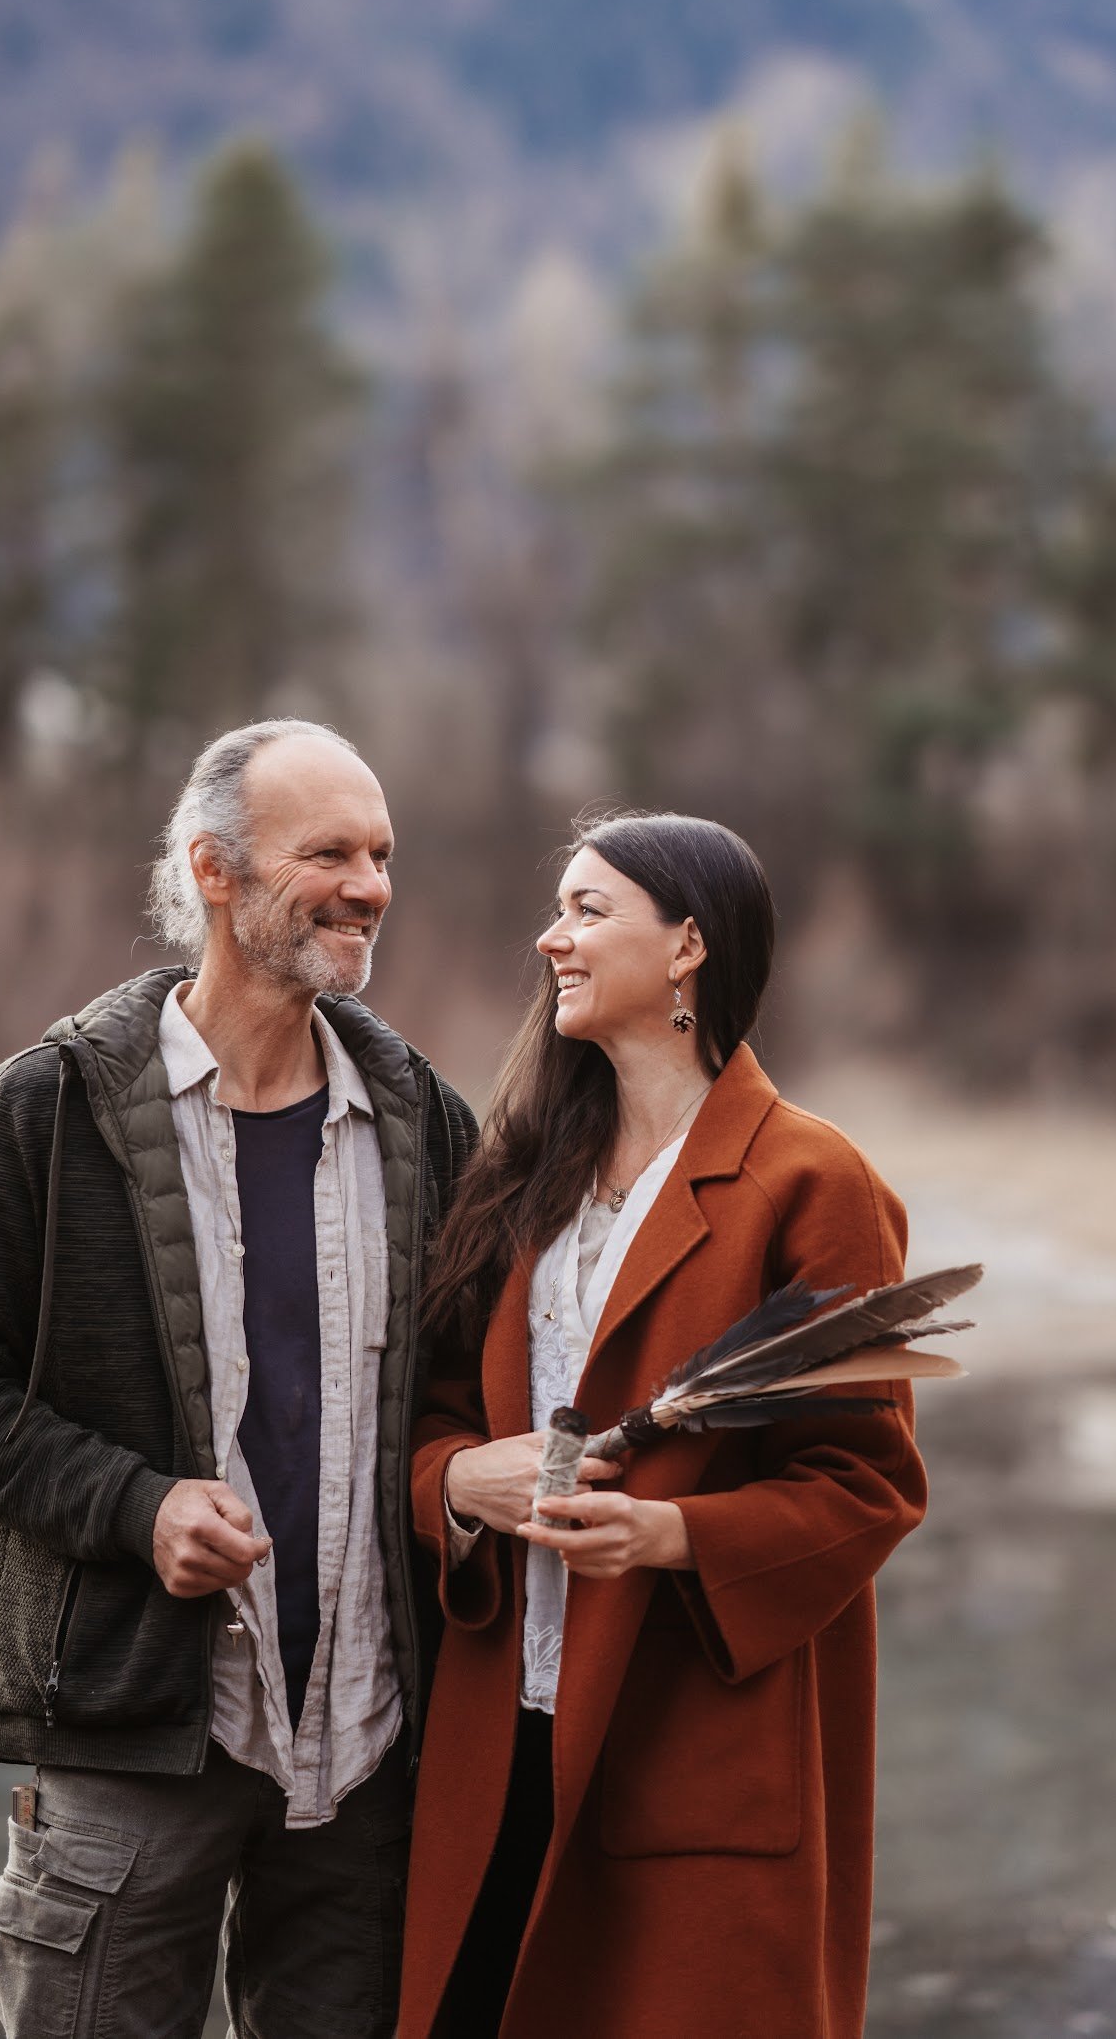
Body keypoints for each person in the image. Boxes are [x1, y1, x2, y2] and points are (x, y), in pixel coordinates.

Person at [0, 718, 477, 2039]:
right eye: (326, 852)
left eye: (381, 853)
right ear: (213, 872)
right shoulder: (51, 1103)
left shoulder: (424, 1119)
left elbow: (467, 1391)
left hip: (370, 1746)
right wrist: (138, 1506)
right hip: (129, 1733)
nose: (370, 884)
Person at [398, 811, 928, 2039]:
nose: (552, 938)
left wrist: (666, 1534)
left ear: (688, 945)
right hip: (495, 1736)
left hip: (687, 1745)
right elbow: (433, 1416)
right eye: (559, 910)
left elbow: (867, 1484)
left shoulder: (813, 1179)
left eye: (589, 910)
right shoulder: (521, 1169)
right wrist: (457, 1482)